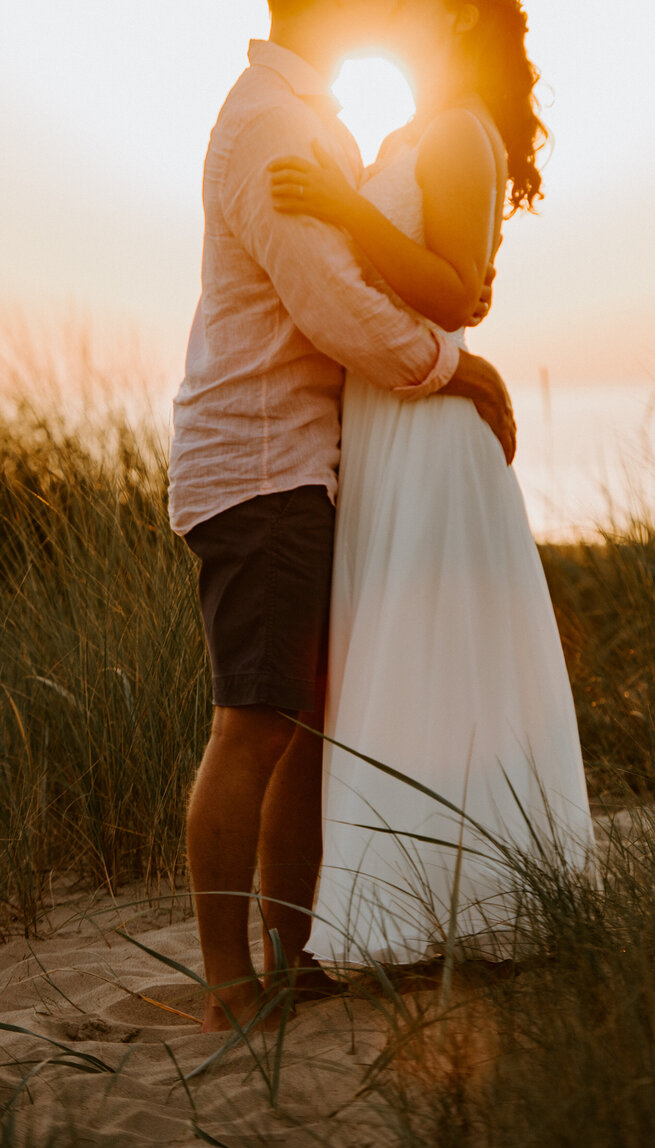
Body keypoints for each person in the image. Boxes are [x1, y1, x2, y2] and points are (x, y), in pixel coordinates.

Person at [168, 0, 515, 1033]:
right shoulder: (273, 123)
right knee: (255, 723)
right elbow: (327, 300)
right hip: (261, 463)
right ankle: (232, 987)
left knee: (301, 728)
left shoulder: (309, 115)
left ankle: (290, 955)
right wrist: (457, 368)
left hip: (296, 464)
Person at [268, 0, 598, 967]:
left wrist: (341, 208)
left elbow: (457, 292)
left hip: (429, 430)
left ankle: (473, 907)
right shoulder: (410, 132)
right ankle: (411, 911)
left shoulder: (458, 131)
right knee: (395, 665)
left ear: (458, 21)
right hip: (384, 424)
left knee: (436, 660)